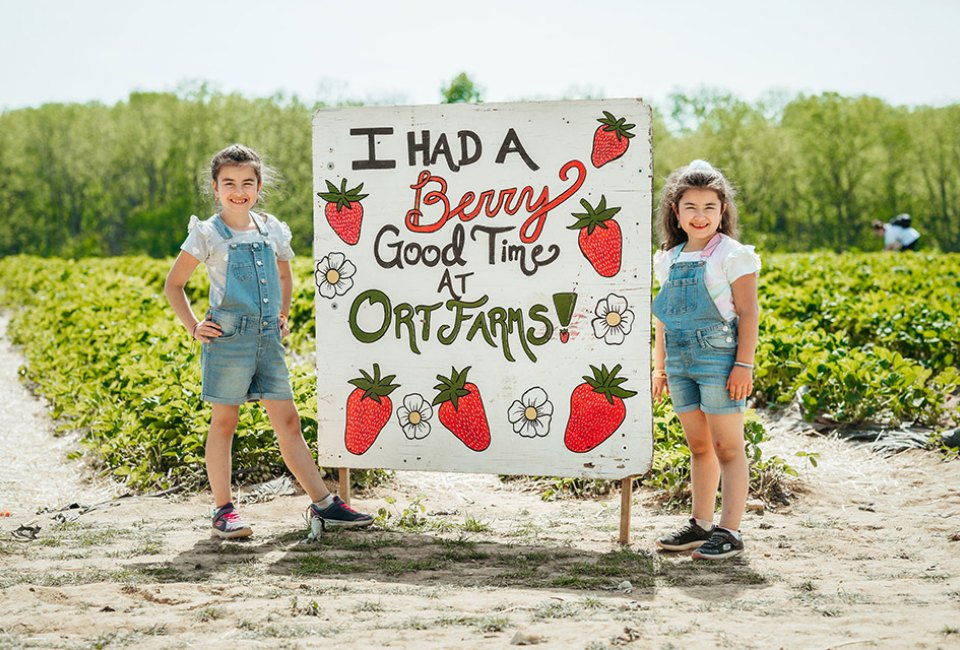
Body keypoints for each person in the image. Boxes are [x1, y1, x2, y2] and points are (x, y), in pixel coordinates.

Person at [164, 144, 372, 539]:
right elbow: (173, 285)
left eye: (247, 182)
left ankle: (324, 503)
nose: (238, 190)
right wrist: (194, 326)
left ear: (258, 187)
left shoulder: (270, 228)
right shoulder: (207, 234)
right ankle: (223, 510)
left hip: (267, 340)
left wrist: (282, 314)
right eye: (229, 183)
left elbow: (284, 276)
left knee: (289, 421)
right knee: (225, 422)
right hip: (228, 340)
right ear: (215, 188)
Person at [651, 160, 760, 560]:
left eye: (709, 207)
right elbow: (662, 317)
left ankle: (730, 531)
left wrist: (743, 365)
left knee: (727, 446)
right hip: (679, 358)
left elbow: (748, 313)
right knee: (699, 445)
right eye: (691, 207)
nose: (700, 216)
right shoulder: (668, 257)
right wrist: (659, 366)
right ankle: (700, 525)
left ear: (723, 211)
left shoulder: (733, 255)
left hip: (719, 357)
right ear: (676, 213)